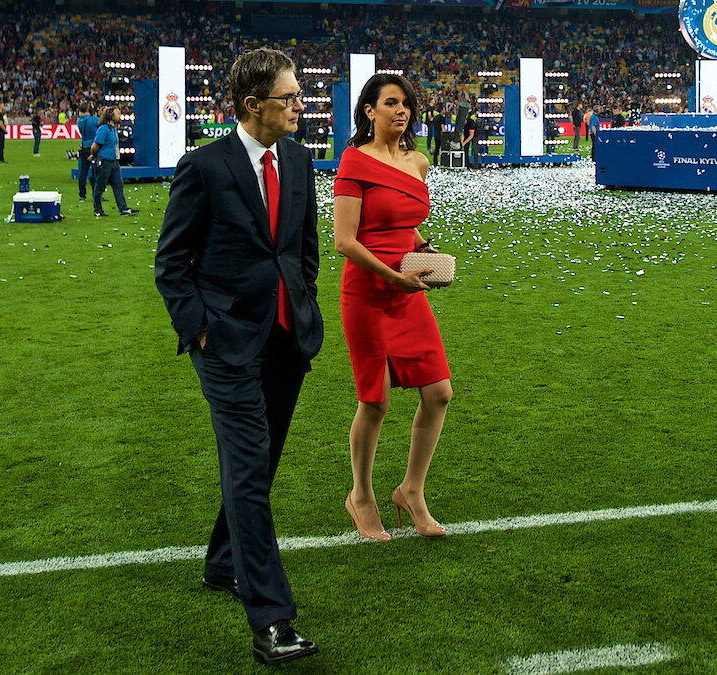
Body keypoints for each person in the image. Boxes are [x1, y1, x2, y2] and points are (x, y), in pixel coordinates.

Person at [155, 47, 323, 665]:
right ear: (253, 106)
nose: (301, 105)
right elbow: (171, 264)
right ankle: (272, 619)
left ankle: (224, 562)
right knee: (249, 470)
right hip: (224, 344)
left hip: (286, 338)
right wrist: (200, 329)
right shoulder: (203, 167)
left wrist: (302, 304)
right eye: (290, 97)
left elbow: (302, 251)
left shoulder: (301, 161)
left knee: (261, 463)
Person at [332, 73, 452, 546]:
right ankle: (361, 495)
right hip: (367, 291)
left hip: (407, 286)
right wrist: (393, 276)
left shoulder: (419, 162)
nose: (401, 111)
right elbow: (345, 240)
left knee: (439, 392)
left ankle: (411, 491)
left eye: (406, 104)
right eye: (390, 103)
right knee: (375, 401)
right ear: (369, 111)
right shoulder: (353, 161)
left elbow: (405, 222)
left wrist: (424, 251)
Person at [89, 107, 138, 217]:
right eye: (118, 113)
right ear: (111, 116)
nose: (120, 116)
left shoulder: (113, 129)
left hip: (113, 161)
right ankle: (97, 209)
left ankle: (123, 208)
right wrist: (94, 155)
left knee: (118, 186)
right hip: (105, 161)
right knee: (100, 187)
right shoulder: (104, 129)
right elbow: (94, 146)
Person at [76, 102, 98, 201]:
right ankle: (96, 193)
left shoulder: (79, 120)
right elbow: (102, 122)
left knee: (83, 172)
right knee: (95, 172)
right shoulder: (93, 120)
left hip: (84, 147)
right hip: (92, 148)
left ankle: (82, 195)